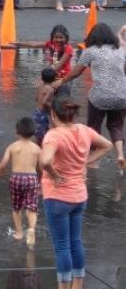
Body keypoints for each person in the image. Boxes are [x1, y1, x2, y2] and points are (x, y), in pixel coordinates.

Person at [39, 96, 113, 288]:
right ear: (72, 113)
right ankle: (77, 285)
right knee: (75, 242)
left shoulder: (54, 135)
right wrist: (85, 162)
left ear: (54, 115)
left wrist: (54, 174)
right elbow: (108, 145)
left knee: (62, 246)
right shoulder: (84, 130)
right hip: (79, 196)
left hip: (57, 197)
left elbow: (45, 161)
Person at [53, 23, 126, 171]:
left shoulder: (90, 51)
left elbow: (76, 72)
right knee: (116, 125)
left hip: (100, 96)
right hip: (122, 95)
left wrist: (61, 81)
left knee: (94, 126)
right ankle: (120, 154)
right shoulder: (120, 50)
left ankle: (94, 161)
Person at [0, 117, 42, 247]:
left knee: (16, 207)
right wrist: (41, 183)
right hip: (31, 178)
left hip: (16, 178)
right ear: (33, 133)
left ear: (17, 132)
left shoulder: (13, 147)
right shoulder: (36, 149)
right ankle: (31, 229)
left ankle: (19, 233)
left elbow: (2, 165)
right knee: (32, 207)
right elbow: (42, 168)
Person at [7, 24, 74, 85]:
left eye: (61, 37)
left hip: (65, 78)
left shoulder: (68, 49)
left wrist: (42, 79)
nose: (58, 40)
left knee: (63, 96)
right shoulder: (51, 44)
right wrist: (19, 43)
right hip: (53, 76)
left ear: (66, 38)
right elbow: (34, 44)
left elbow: (58, 66)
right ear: (52, 37)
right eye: (56, 37)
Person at [33, 67, 59, 144]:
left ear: (42, 78)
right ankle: (42, 146)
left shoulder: (40, 86)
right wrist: (52, 106)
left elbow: (36, 98)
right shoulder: (50, 89)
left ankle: (39, 143)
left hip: (37, 111)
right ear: (54, 79)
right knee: (43, 132)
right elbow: (45, 102)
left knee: (40, 130)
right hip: (43, 113)